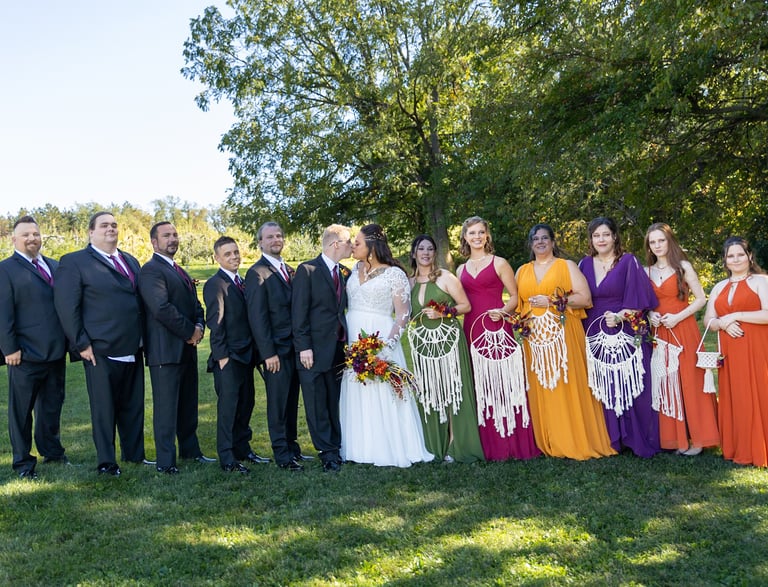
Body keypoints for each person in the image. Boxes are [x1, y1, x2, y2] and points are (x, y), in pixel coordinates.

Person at [54, 211, 150, 476]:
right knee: (104, 409)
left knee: (133, 405)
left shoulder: (130, 260)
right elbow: (66, 306)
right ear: (91, 232)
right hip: (99, 348)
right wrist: (81, 343)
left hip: (133, 345)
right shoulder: (74, 262)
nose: (111, 229)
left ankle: (134, 454)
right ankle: (107, 461)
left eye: (114, 225)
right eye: (104, 225)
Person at [516, 224, 615, 460]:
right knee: (543, 386)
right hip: (536, 340)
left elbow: (584, 298)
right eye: (535, 239)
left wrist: (550, 300)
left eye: (545, 238)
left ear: (552, 241)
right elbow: (519, 305)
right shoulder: (522, 271)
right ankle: (551, 439)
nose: (540, 242)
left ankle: (575, 439)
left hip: (564, 335)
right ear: (531, 244)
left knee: (568, 383)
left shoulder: (566, 266)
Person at [339, 224, 433, 467]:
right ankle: (359, 447)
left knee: (383, 390)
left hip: (380, 338)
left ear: (371, 246)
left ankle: (389, 446)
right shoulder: (352, 270)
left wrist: (388, 344)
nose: (352, 247)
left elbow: (403, 314)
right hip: (353, 337)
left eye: (357, 243)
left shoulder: (394, 274)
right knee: (357, 389)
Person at [457, 216, 541, 460]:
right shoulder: (460, 269)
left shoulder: (499, 263)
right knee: (481, 383)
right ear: (465, 237)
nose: (476, 237)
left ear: (487, 235)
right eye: (472, 233)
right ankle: (487, 444)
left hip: (497, 326)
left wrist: (503, 312)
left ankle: (512, 442)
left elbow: (515, 298)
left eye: (481, 232)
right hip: (472, 328)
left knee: (504, 382)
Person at [579, 217, 660, 458]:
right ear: (591, 239)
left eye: (605, 234)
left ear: (615, 236)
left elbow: (639, 300)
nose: (601, 239)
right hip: (594, 331)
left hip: (625, 329)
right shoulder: (583, 264)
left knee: (631, 383)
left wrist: (620, 316)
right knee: (604, 384)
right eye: (596, 236)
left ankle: (636, 437)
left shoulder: (628, 262)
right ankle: (610, 438)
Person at [138, 221, 215, 474]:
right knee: (166, 408)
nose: (172, 239)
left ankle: (191, 451)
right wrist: (189, 331)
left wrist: (200, 326)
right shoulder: (151, 271)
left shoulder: (179, 270)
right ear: (154, 242)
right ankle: (166, 462)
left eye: (174, 234)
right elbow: (160, 308)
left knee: (187, 404)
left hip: (187, 349)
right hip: (165, 351)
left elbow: (196, 305)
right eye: (166, 235)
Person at [0, 216, 68, 479]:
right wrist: (9, 348)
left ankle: (53, 452)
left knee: (51, 406)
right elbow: (3, 313)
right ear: (14, 239)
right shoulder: (5, 269)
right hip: (24, 354)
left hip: (55, 351)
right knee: (21, 412)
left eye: (36, 234)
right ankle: (23, 463)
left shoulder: (54, 265)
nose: (32, 238)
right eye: (26, 234)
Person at [408, 234, 484, 463]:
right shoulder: (410, 282)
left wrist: (443, 313)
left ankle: (455, 445)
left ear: (435, 253)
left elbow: (466, 306)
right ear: (414, 253)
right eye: (421, 249)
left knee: (453, 391)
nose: (426, 253)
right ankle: (434, 446)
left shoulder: (445, 277)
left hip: (449, 342)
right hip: (424, 345)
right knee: (431, 392)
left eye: (430, 249)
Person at [645, 223, 719, 455]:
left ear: (670, 241)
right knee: (666, 383)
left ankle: (698, 439)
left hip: (683, 328)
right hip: (660, 332)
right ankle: (674, 438)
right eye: (653, 242)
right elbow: (645, 304)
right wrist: (650, 315)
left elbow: (700, 299)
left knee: (689, 380)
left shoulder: (683, 266)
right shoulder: (646, 271)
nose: (657, 245)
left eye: (661, 240)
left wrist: (678, 317)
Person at [246, 221, 309, 471]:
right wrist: (268, 353)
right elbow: (257, 317)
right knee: (278, 403)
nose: (276, 240)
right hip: (275, 352)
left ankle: (293, 447)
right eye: (270, 237)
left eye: (279, 236)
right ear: (260, 242)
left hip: (294, 348)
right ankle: (282, 454)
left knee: (292, 400)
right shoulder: (256, 273)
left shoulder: (290, 270)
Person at [204, 236, 268, 474]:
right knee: (228, 408)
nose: (233, 257)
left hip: (247, 356)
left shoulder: (242, 281)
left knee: (246, 404)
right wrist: (222, 357)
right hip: (229, 358)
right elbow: (216, 323)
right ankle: (227, 457)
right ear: (217, 258)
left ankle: (243, 448)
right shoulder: (215, 284)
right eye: (227, 254)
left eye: (235, 252)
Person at [292, 225, 352, 473]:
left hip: (338, 347)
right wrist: (304, 347)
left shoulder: (345, 272)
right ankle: (326, 452)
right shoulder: (307, 270)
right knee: (317, 403)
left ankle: (337, 447)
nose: (352, 246)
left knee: (333, 399)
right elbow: (299, 312)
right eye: (349, 242)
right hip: (313, 350)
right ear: (335, 244)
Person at [703, 236, 768, 467]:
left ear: (750, 256)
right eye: (731, 256)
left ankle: (760, 447)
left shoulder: (761, 281)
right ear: (725, 260)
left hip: (757, 348)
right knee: (736, 395)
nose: (736, 259)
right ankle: (737, 446)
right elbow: (708, 320)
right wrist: (722, 323)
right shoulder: (719, 286)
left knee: (758, 393)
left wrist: (736, 316)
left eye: (740, 254)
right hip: (730, 351)